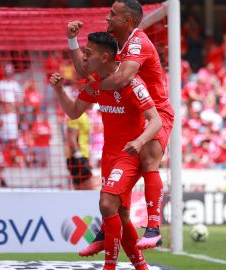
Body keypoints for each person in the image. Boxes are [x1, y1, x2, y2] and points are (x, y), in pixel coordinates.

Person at [67, 0, 174, 251]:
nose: (107, 17)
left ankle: (154, 227)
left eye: (112, 14)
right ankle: (115, 243)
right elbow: (89, 69)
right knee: (119, 207)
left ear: (127, 21)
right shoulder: (118, 45)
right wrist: (72, 41)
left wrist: (92, 87)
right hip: (132, 116)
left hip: (155, 112)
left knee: (149, 157)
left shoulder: (138, 42)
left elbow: (122, 78)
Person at [51, 32, 162, 270]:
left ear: (104, 57)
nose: (83, 57)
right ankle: (141, 267)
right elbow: (74, 111)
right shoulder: (96, 83)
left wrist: (141, 141)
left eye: (88, 53)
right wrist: (60, 90)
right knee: (120, 214)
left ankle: (108, 266)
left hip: (128, 154)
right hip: (108, 155)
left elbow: (155, 121)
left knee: (106, 204)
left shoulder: (131, 83)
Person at [66, 112, 93, 189]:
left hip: (82, 155)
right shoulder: (75, 115)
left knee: (81, 188)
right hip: (77, 156)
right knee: (87, 188)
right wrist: (78, 155)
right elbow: (71, 137)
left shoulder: (85, 115)